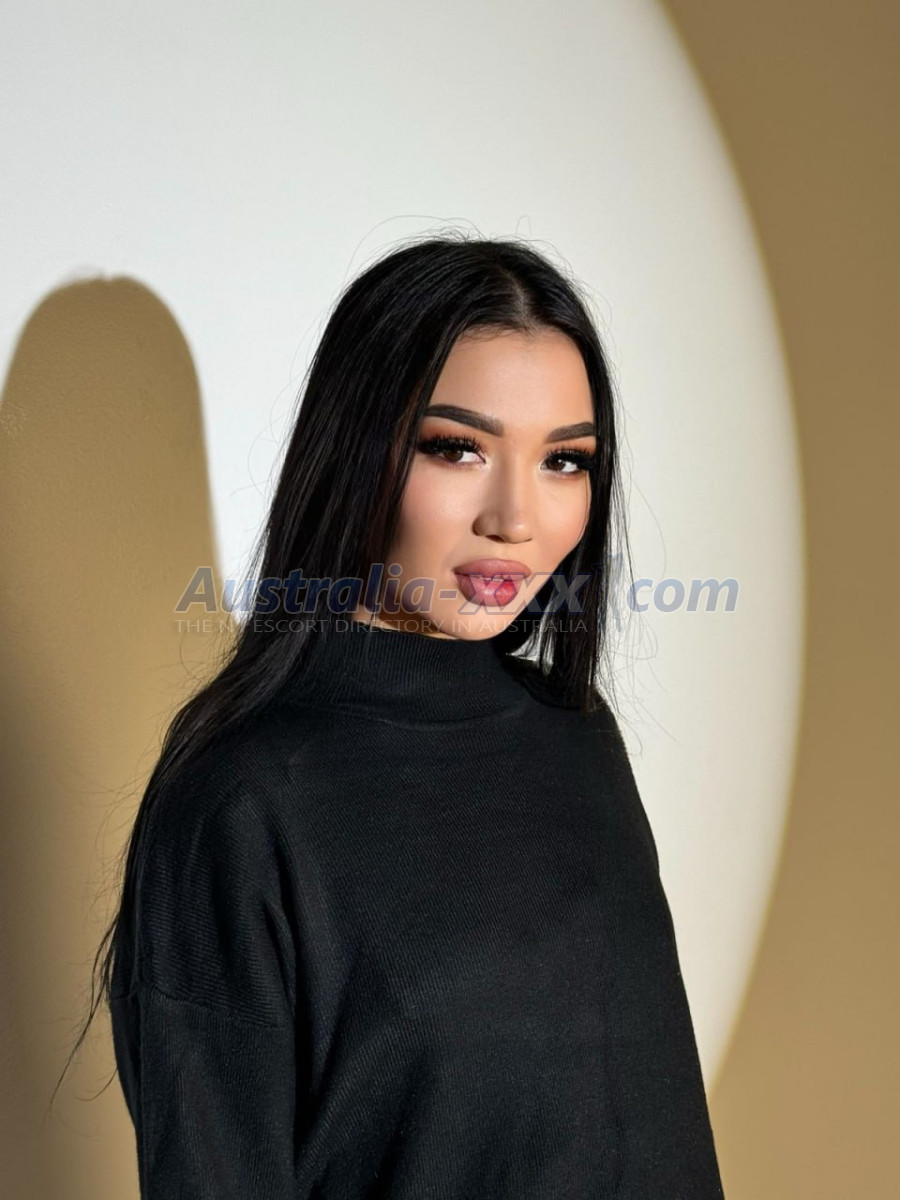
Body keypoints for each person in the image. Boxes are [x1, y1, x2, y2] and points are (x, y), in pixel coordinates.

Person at [63, 233, 726, 1196]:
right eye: (457, 447)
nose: (516, 518)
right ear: (358, 448)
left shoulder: (576, 734)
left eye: (565, 460)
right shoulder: (242, 804)